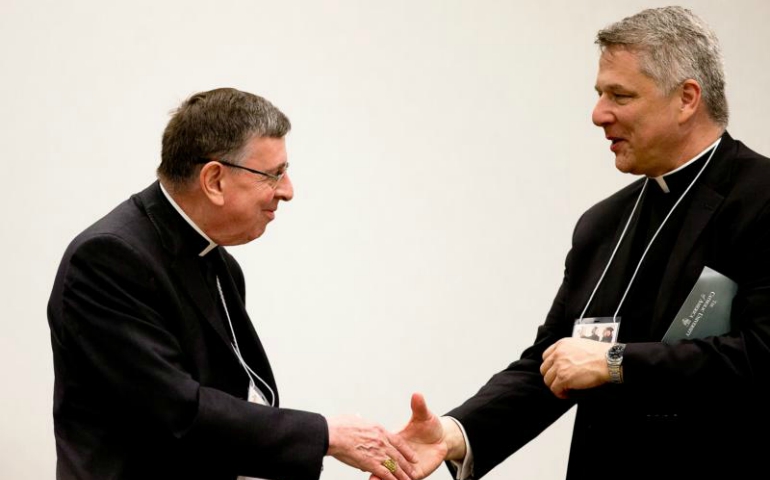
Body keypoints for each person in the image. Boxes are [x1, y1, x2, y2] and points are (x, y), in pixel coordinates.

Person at [388, 6, 770, 480]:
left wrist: (615, 363)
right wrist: (456, 432)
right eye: (599, 94)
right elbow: (553, 363)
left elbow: (761, 353)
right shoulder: (603, 223)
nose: (598, 114)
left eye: (620, 95)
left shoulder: (762, 199)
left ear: (687, 98)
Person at [47, 88, 417, 480]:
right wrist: (327, 434)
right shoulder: (109, 259)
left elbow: (236, 400)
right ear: (214, 180)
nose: (288, 190)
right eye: (273, 174)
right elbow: (178, 411)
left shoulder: (219, 261)